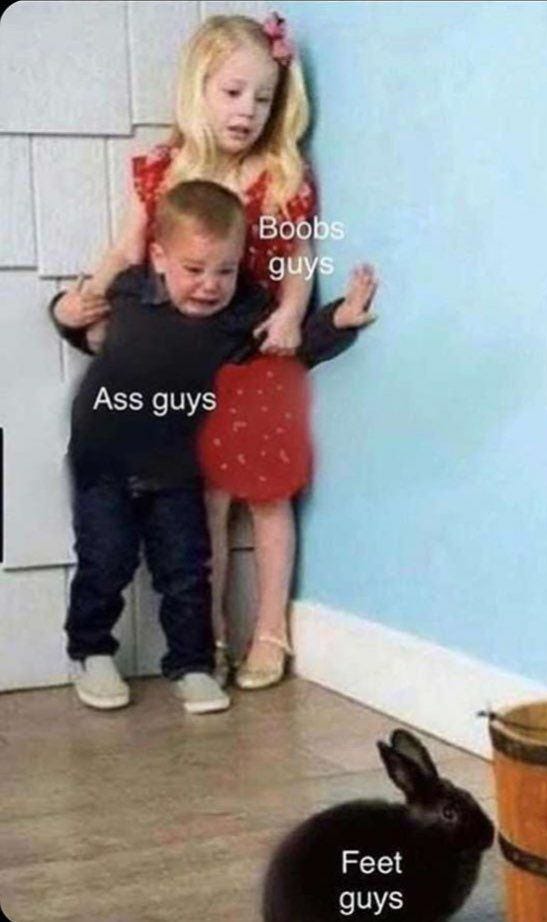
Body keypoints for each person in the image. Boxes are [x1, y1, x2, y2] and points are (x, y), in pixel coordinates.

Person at [54, 12, 377, 692]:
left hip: (256, 344)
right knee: (205, 499)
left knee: (267, 492)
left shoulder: (281, 173)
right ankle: (208, 637)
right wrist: (88, 295)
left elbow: (297, 261)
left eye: (262, 97)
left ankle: (270, 631)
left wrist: (292, 314)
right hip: (190, 359)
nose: (247, 111)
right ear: (198, 89)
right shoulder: (164, 169)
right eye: (232, 92)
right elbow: (127, 249)